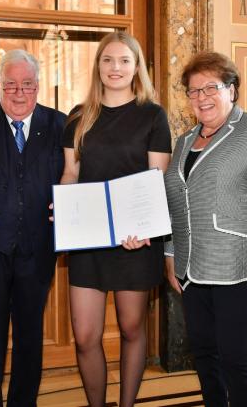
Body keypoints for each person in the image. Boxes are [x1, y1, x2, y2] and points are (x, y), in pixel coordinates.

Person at [163, 51, 247, 406]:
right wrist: (172, 253)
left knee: (235, 359)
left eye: (211, 88)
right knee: (204, 354)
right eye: (193, 91)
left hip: (239, 268)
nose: (202, 97)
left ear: (232, 90)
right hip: (193, 269)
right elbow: (177, 201)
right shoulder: (185, 140)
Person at [60, 31, 172, 407]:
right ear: (98, 66)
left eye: (125, 60)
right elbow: (70, 175)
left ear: (137, 67)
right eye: (108, 60)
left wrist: (144, 229)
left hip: (135, 241)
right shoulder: (79, 116)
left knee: (131, 328)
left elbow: (155, 181)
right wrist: (64, 209)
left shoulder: (153, 115)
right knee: (86, 335)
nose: (115, 68)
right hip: (88, 240)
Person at [0, 49, 66, 407]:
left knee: (29, 337)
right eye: (11, 85)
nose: (19, 93)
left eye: (28, 85)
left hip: (37, 251)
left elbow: (78, 176)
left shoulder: (60, 125)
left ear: (39, 86)